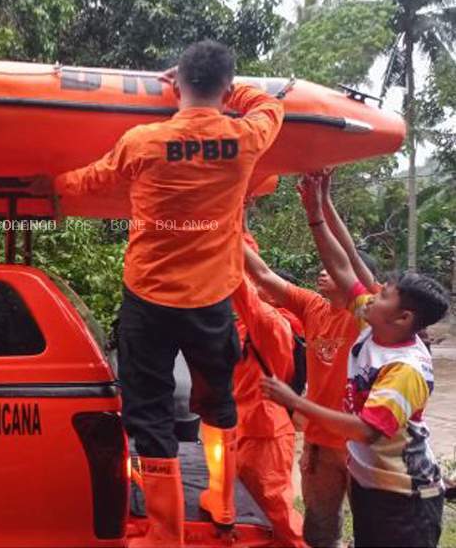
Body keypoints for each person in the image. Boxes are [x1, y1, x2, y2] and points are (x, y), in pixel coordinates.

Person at [54, 40, 284, 543]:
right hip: (210, 301)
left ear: (177, 83)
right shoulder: (246, 137)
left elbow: (89, 181)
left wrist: (48, 185)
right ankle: (222, 504)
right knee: (217, 400)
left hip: (150, 297)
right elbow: (271, 105)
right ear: (226, 88)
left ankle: (164, 533)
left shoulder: (142, 141)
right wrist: (227, 86)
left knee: (150, 412)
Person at [262, 174, 449, 548]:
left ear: (403, 319)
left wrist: (296, 401)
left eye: (382, 297)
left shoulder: (404, 369)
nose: (369, 296)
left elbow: (366, 430)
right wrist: (316, 213)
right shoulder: (376, 322)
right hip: (375, 486)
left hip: (404, 499)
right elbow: (343, 268)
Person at [243, 171, 380, 548]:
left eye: (329, 268)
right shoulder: (311, 306)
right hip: (320, 441)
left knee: (374, 530)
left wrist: (322, 208)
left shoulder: (367, 315)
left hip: (360, 445)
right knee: (319, 529)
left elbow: (347, 255)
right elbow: (264, 275)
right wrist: (225, 223)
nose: (323, 270)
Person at [231, 274, 306, 547]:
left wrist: (222, 245)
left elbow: (240, 287)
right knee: (250, 509)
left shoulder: (270, 323)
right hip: (246, 424)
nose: (257, 288)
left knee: (276, 509)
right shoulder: (248, 326)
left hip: (266, 429)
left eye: (264, 285)